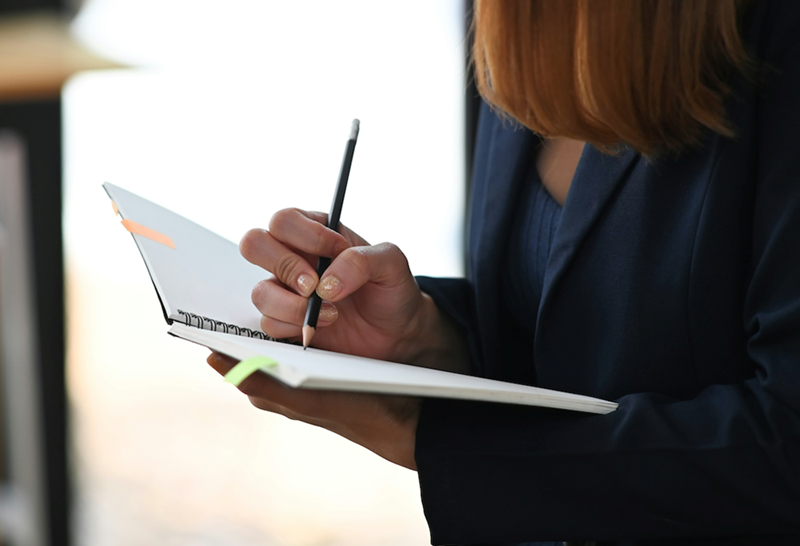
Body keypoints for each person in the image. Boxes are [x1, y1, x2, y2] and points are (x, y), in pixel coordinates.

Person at [207, 0, 800, 544]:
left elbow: (786, 443)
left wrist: (432, 437)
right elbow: (555, 332)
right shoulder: (504, 17)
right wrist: (426, 336)